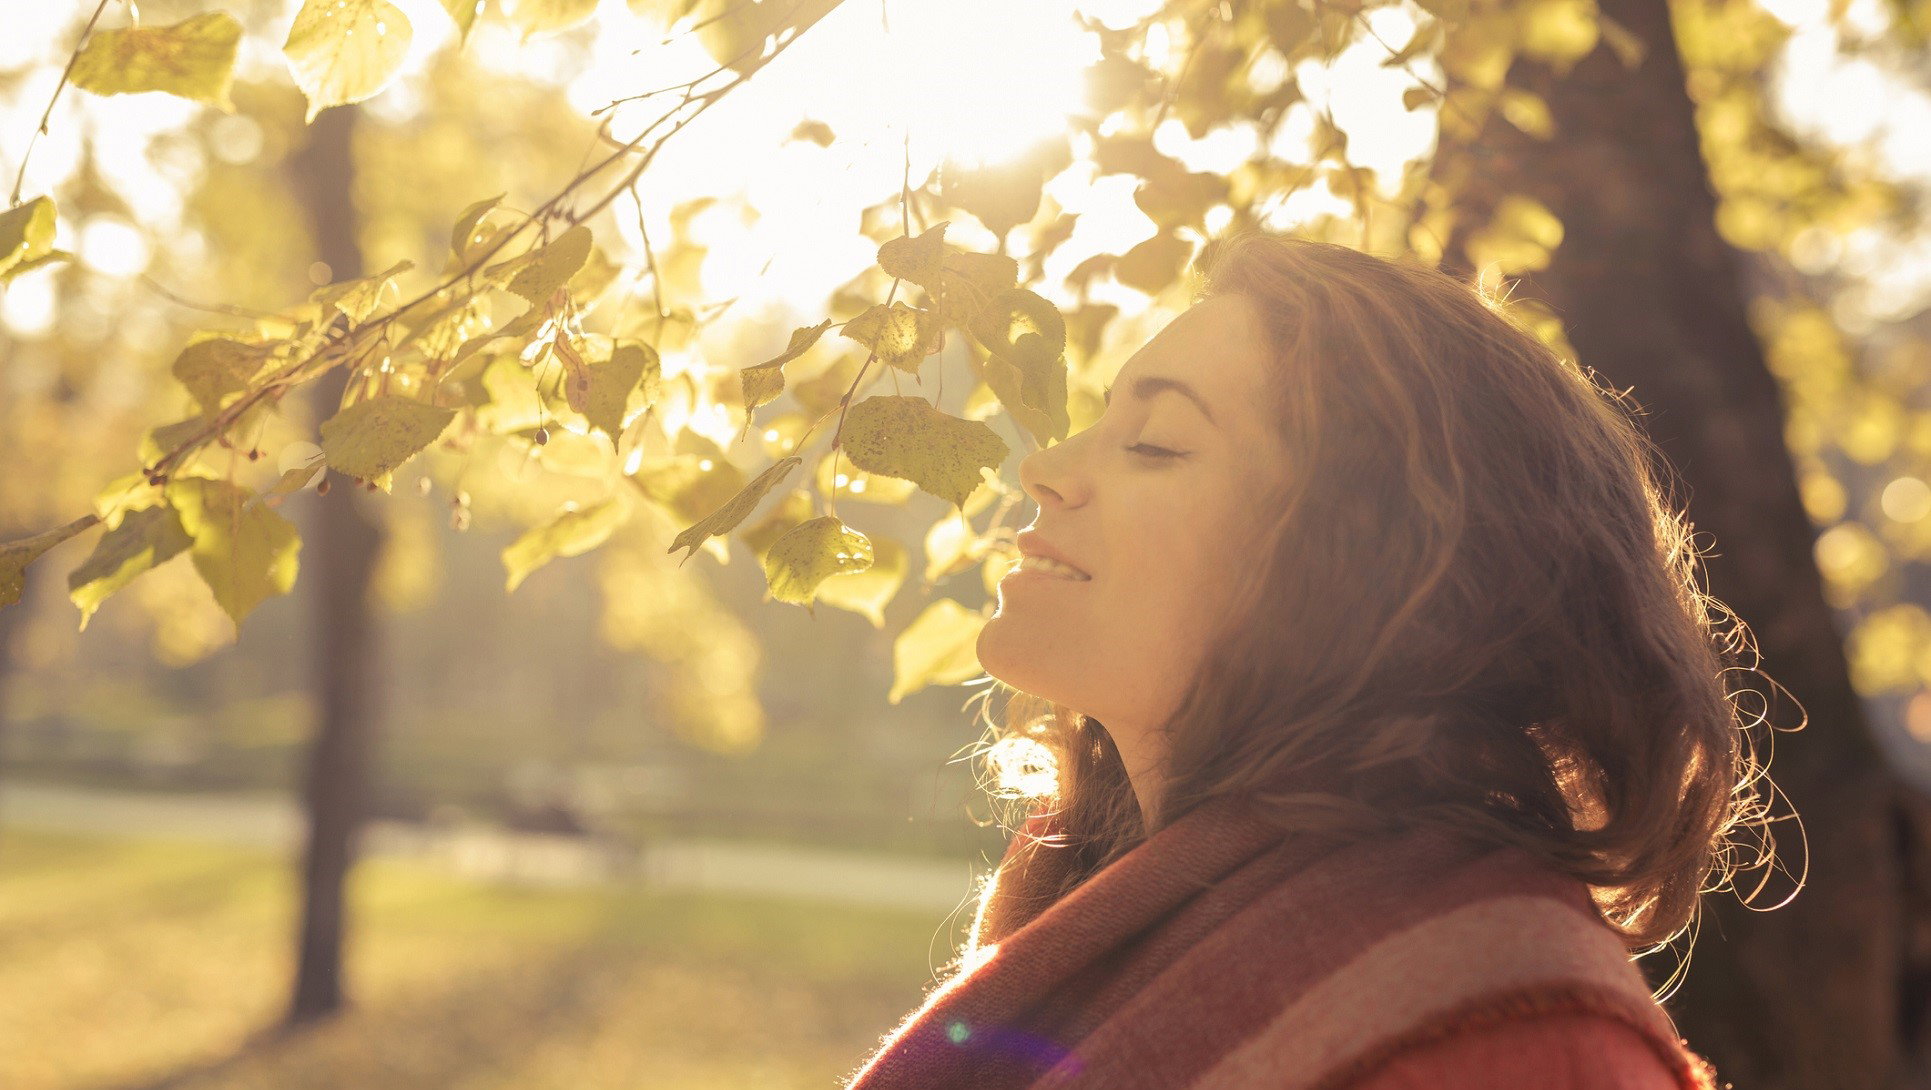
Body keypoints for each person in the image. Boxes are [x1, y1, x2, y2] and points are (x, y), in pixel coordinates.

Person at [844, 229, 1788, 1089]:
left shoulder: (1496, 1023)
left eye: (1157, 443)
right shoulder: (1078, 916)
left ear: (1365, 564)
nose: (1042, 466)